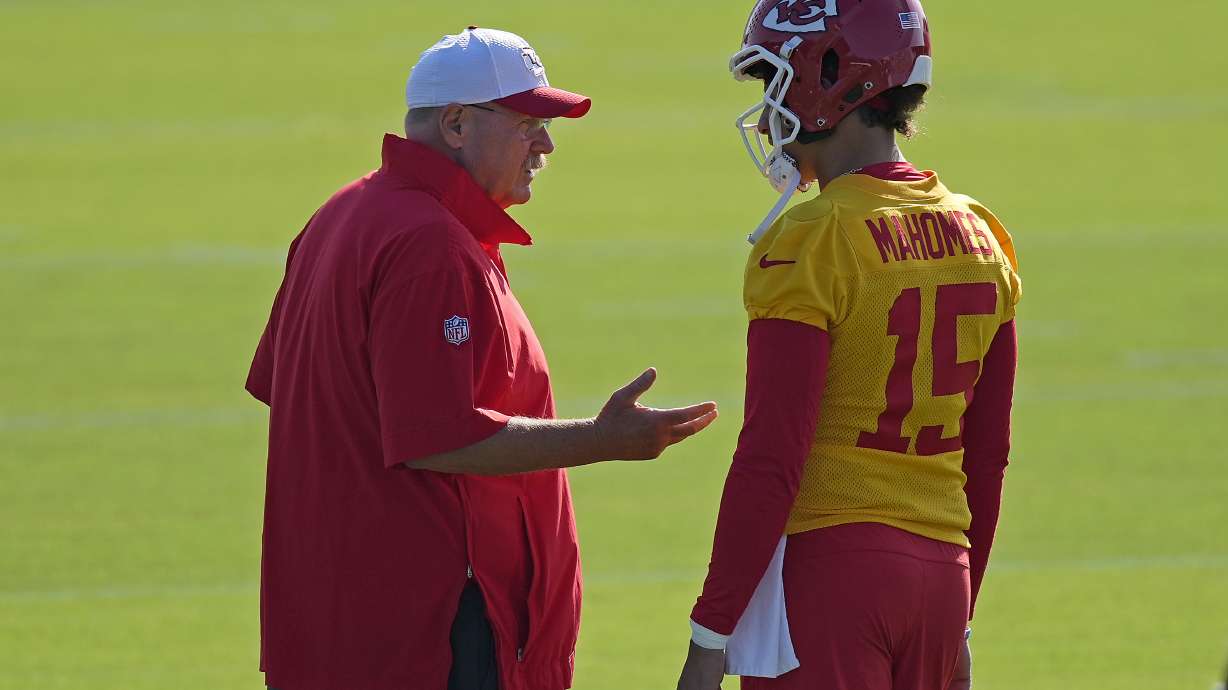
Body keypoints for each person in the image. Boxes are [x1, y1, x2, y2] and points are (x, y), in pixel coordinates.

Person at [245, 27, 718, 690]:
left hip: (341, 621)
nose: (547, 144)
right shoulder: (428, 243)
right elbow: (436, 438)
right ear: (458, 124)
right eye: (528, 123)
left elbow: (290, 391)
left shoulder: (342, 215)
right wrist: (604, 439)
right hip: (424, 635)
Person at [675, 2, 1020, 689]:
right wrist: (964, 618)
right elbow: (987, 454)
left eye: (773, 83)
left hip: (831, 576)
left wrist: (710, 634)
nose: (768, 112)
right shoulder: (984, 234)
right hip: (943, 576)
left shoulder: (812, 239)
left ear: (827, 80)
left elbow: (772, 455)